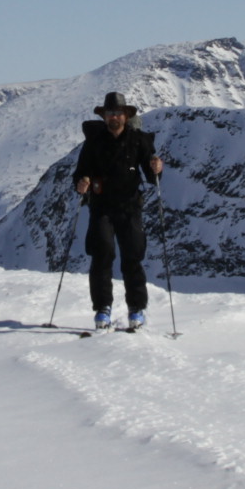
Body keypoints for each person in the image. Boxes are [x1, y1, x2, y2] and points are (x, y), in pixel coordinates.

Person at [73, 92, 162, 331]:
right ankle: (102, 309)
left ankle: (136, 308)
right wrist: (81, 182)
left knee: (132, 257)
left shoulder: (139, 141)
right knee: (102, 255)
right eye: (110, 113)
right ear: (104, 116)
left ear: (126, 116)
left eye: (118, 113)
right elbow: (81, 172)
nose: (114, 117)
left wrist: (156, 169)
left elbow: (152, 177)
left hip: (130, 207)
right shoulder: (93, 142)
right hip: (101, 206)